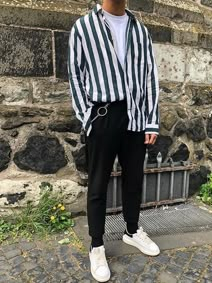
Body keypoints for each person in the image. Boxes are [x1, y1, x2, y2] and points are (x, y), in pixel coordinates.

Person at [68, 0, 160, 281]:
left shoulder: (140, 30)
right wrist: (88, 118)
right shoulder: (84, 27)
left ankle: (132, 231)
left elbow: (150, 76)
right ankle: (96, 245)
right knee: (98, 183)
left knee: (134, 179)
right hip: (103, 115)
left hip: (135, 116)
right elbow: (75, 75)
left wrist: (151, 119)